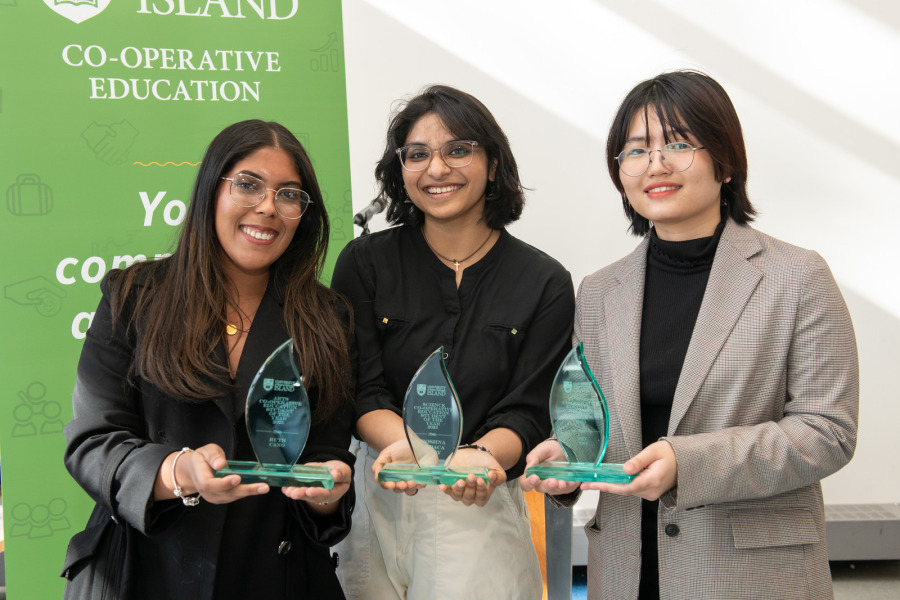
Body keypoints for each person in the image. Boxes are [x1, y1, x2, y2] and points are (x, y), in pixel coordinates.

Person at [522, 70, 859, 599]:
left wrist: (688, 462)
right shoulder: (599, 291)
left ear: (725, 160)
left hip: (749, 576)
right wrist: (567, 461)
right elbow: (593, 426)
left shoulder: (797, 277)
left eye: (677, 144)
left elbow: (827, 432)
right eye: (635, 151)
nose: (655, 165)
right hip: (627, 570)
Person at [61, 120, 356, 600]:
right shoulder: (133, 295)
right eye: (248, 184)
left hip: (272, 571)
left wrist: (328, 495)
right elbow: (93, 443)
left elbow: (326, 458)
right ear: (210, 190)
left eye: (288, 194)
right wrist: (178, 473)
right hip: (143, 569)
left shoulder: (329, 319)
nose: (267, 207)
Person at [331, 85, 575, 600]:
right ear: (400, 170)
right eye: (417, 154)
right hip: (380, 486)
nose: (437, 169)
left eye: (457, 150)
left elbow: (530, 409)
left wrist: (480, 458)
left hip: (478, 500)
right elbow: (359, 387)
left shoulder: (544, 280)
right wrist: (407, 449)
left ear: (492, 162)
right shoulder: (364, 263)